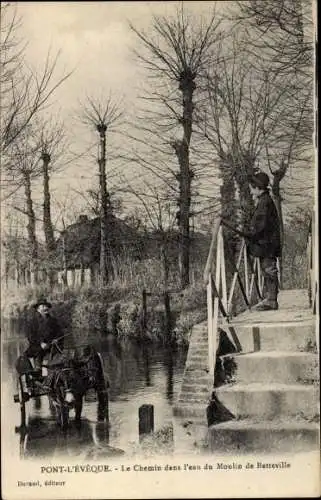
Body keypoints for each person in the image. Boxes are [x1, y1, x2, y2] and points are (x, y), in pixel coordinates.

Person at [246, 171, 281, 311]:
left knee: (269, 269)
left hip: (267, 243)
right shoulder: (264, 200)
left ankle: (271, 300)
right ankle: (269, 299)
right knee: (266, 269)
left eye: (251, 187)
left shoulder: (264, 202)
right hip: (267, 243)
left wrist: (249, 234)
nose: (250, 190)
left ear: (257, 187)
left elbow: (260, 224)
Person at [24, 298, 64, 377]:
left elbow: (60, 333)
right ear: (38, 309)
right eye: (43, 306)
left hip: (52, 348)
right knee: (37, 370)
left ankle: (53, 379)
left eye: (46, 306)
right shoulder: (32, 321)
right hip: (37, 348)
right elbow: (30, 337)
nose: (46, 308)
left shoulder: (53, 321)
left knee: (56, 366)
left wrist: (56, 339)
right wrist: (41, 344)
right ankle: (38, 376)